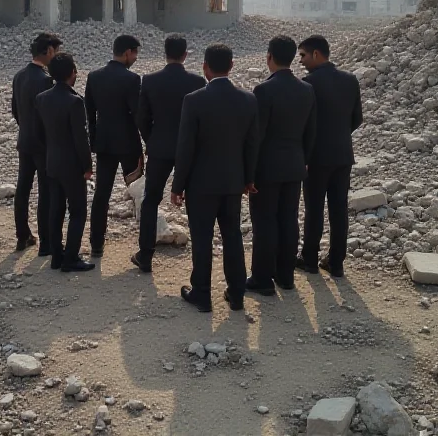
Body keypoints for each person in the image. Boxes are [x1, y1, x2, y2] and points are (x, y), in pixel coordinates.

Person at [171, 44, 259, 312]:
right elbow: (252, 144)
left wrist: (178, 185)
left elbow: (186, 147)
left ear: (205, 67)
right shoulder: (248, 99)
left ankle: (202, 293)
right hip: (233, 182)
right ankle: (237, 294)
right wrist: (249, 178)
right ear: (231, 66)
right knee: (232, 236)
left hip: (200, 184)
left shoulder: (194, 100)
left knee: (202, 239)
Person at [132, 34, 206, 273]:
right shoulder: (197, 82)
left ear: (165, 53)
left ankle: (145, 255)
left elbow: (142, 117)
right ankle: (199, 261)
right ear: (185, 55)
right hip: (191, 152)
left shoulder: (150, 80)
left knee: (151, 200)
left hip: (160, 148)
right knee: (195, 203)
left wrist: (151, 139)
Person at [249, 35, 316, 295]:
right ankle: (286, 275)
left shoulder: (264, 90)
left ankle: (262, 279)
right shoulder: (306, 89)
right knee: (289, 220)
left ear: (269, 57)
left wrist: (250, 172)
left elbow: (257, 135)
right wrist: (304, 161)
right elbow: (311, 132)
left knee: (265, 222)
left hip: (267, 168)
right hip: (295, 165)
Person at [296, 35, 363, 278]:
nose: (301, 61)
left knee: (314, 209)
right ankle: (336, 263)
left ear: (316, 54)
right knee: (338, 209)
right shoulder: (350, 80)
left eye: (303, 55)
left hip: (316, 158)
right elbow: (357, 118)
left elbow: (303, 123)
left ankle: (310, 259)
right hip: (343, 156)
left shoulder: (308, 83)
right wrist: (341, 136)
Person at [34, 52, 95, 272]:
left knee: (56, 210)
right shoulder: (75, 101)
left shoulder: (42, 98)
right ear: (72, 73)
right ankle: (71, 257)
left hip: (52, 161)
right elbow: (81, 139)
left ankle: (56, 255)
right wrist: (87, 166)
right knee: (78, 211)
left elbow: (40, 132)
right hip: (72, 165)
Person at [85, 34, 143, 257]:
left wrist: (93, 141)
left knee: (102, 194)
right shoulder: (132, 79)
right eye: (135, 53)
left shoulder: (94, 76)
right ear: (128, 52)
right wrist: (148, 139)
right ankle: (145, 243)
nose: (135, 58)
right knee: (139, 193)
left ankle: (96, 244)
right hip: (129, 144)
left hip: (105, 144)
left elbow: (89, 113)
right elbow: (138, 114)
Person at [10, 32, 62, 253]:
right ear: (49, 51)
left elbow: (15, 110)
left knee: (23, 188)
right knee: (45, 190)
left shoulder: (19, 76)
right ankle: (46, 240)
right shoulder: (46, 80)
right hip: (43, 143)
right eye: (56, 52)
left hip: (25, 140)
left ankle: (22, 235)